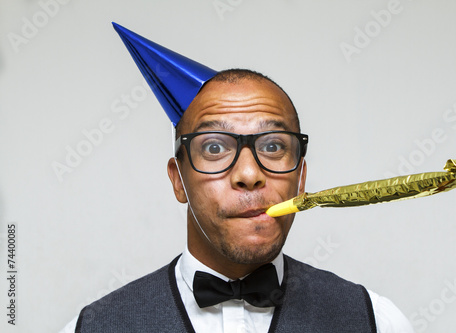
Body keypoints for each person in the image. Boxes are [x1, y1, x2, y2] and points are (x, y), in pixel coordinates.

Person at [64, 24, 415, 332]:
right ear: (177, 180)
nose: (249, 174)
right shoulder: (91, 327)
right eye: (215, 148)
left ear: (301, 177)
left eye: (274, 145)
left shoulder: (378, 322)